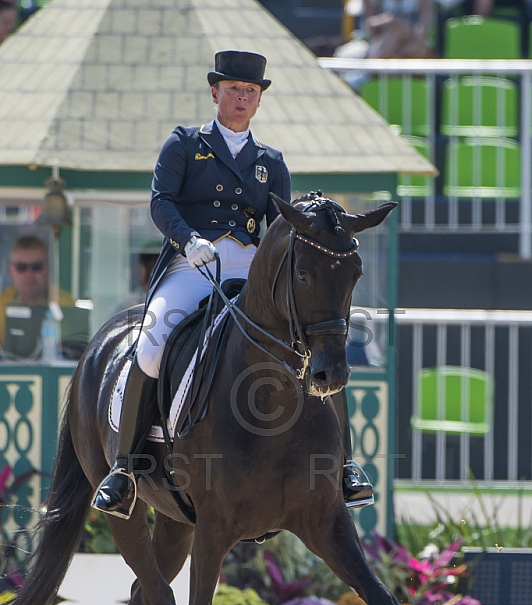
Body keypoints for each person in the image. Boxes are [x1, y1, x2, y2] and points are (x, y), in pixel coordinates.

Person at [92, 50, 374, 518]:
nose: (241, 99)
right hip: (191, 266)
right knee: (151, 344)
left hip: (249, 271)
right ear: (215, 93)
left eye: (250, 92)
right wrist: (188, 239)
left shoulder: (270, 161)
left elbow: (282, 225)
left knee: (312, 343)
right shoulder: (185, 143)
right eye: (233, 90)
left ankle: (344, 466)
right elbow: (161, 201)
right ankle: (124, 468)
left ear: (259, 100)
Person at [0, 234, 74, 346]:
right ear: (10, 272)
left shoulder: (65, 304)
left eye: (36, 267)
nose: (29, 275)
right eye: (21, 267)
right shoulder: (1, 304)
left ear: (48, 269)